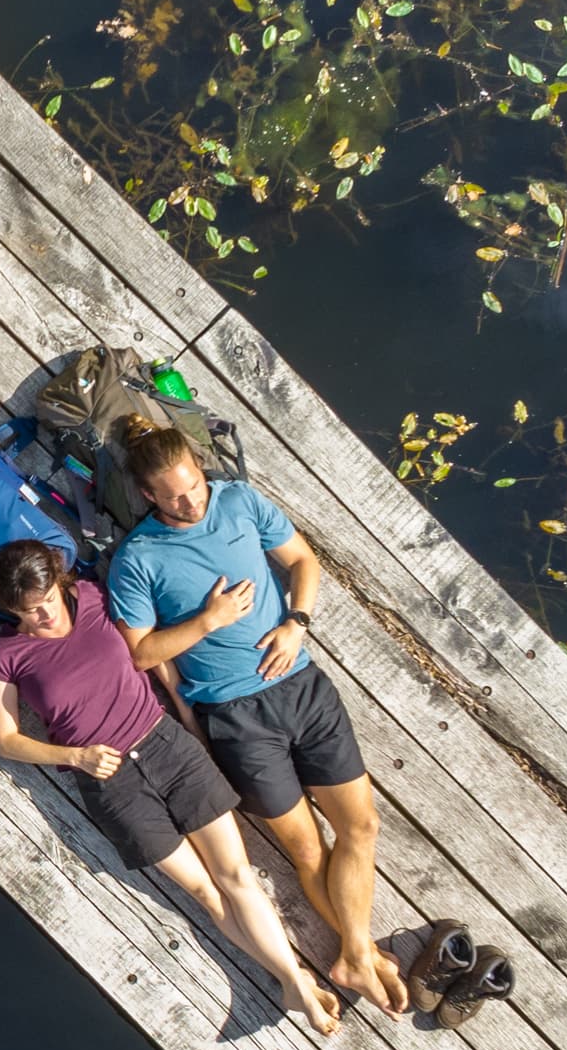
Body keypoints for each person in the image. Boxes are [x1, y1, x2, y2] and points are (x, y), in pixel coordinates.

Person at [99, 419, 409, 1017]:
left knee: (362, 827)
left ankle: (353, 954)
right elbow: (139, 652)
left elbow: (303, 561)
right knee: (307, 851)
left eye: (193, 485)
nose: (190, 500)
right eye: (173, 495)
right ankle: (360, 956)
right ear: (147, 497)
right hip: (235, 716)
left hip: (303, 687)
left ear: (198, 467)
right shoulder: (138, 558)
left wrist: (298, 622)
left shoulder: (239, 500)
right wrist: (206, 623)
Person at [0, 539, 340, 1034]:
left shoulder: (95, 598)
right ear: (11, 609)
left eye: (46, 603)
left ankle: (294, 985)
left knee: (236, 875)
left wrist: (186, 711)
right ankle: (293, 979)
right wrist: (73, 756)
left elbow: (150, 657)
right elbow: (6, 740)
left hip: (166, 745)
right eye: (27, 612)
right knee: (206, 894)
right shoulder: (8, 655)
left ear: (60, 583)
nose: (42, 617)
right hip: (111, 784)